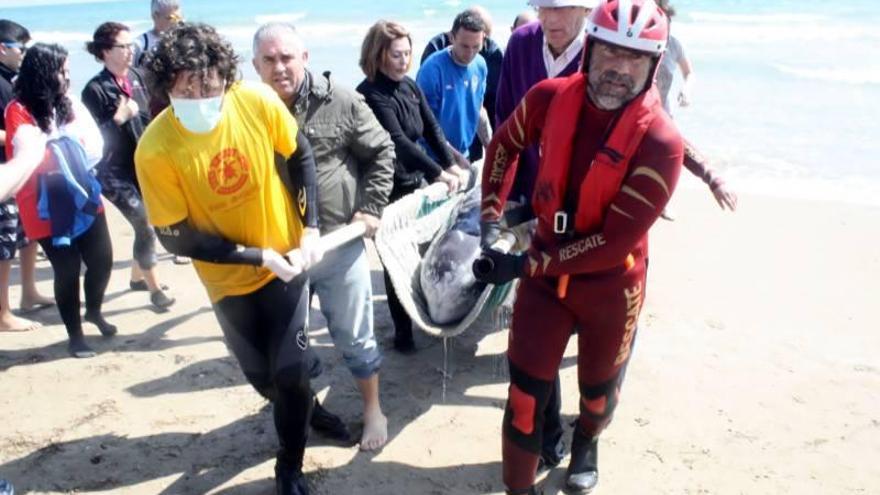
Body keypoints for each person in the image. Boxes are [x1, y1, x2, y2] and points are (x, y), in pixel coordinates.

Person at [475, 1, 683, 493]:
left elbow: (613, 243)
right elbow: (503, 145)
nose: (618, 69)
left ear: (654, 66)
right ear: (588, 49)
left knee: (597, 397)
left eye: (635, 58)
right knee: (524, 396)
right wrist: (490, 220)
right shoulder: (549, 97)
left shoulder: (661, 142)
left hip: (612, 284)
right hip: (544, 280)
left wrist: (528, 262)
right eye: (609, 52)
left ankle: (587, 442)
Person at [135, 23, 320, 495]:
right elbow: (178, 239)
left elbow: (299, 155)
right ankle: (307, 409)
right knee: (267, 382)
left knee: (292, 372)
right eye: (185, 87)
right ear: (165, 87)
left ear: (226, 76)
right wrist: (257, 256)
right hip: (228, 282)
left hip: (287, 265)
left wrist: (311, 225)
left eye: (209, 84)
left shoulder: (255, 101)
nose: (200, 95)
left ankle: (289, 466)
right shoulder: (155, 148)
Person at [252, 22, 395, 451]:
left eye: (287, 58)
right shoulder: (246, 111)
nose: (280, 68)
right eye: (269, 60)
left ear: (305, 58)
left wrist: (370, 207)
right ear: (255, 65)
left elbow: (382, 150)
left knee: (355, 335)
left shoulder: (342, 100)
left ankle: (373, 409)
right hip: (280, 254)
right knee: (281, 348)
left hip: (337, 242)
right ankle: (310, 410)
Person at [356, 20, 467, 353]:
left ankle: (430, 311)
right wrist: (438, 174)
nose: (404, 61)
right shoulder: (370, 93)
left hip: (412, 180)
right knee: (395, 258)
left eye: (407, 54)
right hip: (384, 186)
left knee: (424, 251)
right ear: (378, 55)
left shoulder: (409, 86)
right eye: (396, 54)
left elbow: (431, 127)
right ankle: (403, 332)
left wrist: (450, 164)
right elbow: (399, 141)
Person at [5, 43, 116, 358]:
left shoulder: (69, 102)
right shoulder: (19, 109)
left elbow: (93, 144)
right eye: (61, 70)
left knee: (102, 259)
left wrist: (66, 146)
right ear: (43, 72)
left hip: (81, 190)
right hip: (44, 202)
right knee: (67, 269)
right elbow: (32, 151)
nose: (67, 77)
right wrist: (65, 145)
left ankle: (93, 310)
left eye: (68, 70)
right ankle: (75, 335)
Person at [82, 22, 174, 310]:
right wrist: (119, 118)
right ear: (106, 51)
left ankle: (137, 278)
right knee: (145, 223)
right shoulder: (94, 90)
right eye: (123, 46)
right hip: (112, 172)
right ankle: (155, 290)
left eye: (132, 44)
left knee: (149, 221)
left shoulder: (137, 76)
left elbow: (151, 117)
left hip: (141, 165)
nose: (131, 50)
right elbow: (92, 141)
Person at [0, 19, 55, 333]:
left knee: (27, 233)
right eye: (20, 48)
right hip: (6, 172)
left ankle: (29, 292)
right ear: (2, 48)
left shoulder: (14, 79)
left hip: (21, 169)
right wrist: (21, 138)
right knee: (3, 245)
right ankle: (2, 314)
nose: (24, 53)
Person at [420, 5, 501, 161]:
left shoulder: (481, 65)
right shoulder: (432, 69)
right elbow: (426, 125)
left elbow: (478, 108)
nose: (470, 53)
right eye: (464, 46)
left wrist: (489, 147)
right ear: (452, 37)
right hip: (433, 156)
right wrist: (455, 159)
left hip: (464, 153)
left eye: (476, 47)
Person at [133, 0, 182, 68]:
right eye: (171, 18)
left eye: (177, 19)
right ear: (155, 16)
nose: (175, 23)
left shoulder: (182, 43)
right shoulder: (141, 44)